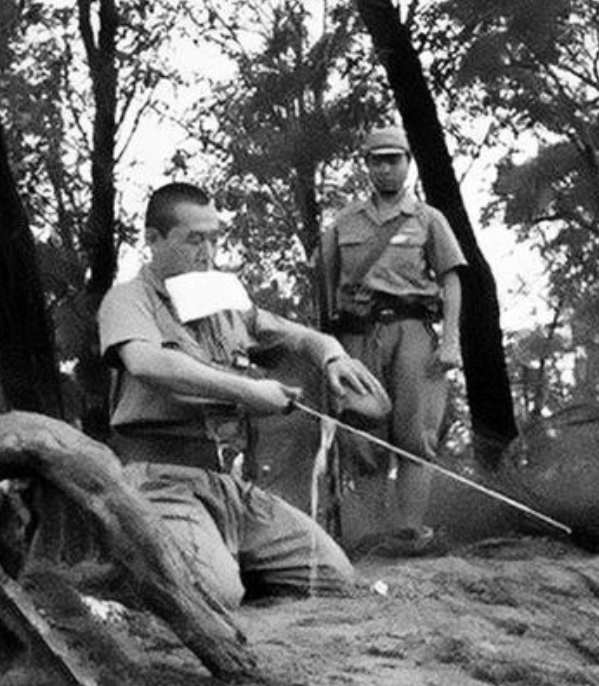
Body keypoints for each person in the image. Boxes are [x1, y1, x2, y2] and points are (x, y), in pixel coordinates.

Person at [98, 182, 388, 607]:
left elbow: (298, 336)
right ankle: (159, 568)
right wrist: (249, 392)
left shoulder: (223, 300)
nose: (208, 253)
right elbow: (147, 362)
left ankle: (212, 558)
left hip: (227, 484)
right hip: (158, 479)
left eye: (215, 239)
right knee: (215, 594)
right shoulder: (127, 298)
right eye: (194, 239)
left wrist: (333, 358)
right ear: (153, 240)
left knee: (333, 576)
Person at [321, 126, 467, 553]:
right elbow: (327, 288)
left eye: (393, 159)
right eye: (376, 160)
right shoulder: (344, 223)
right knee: (363, 439)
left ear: (407, 162)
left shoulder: (428, 219)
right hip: (358, 336)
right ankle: (368, 539)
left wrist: (451, 341)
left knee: (414, 438)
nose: (385, 168)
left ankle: (408, 533)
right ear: (366, 165)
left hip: (412, 332)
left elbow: (451, 280)